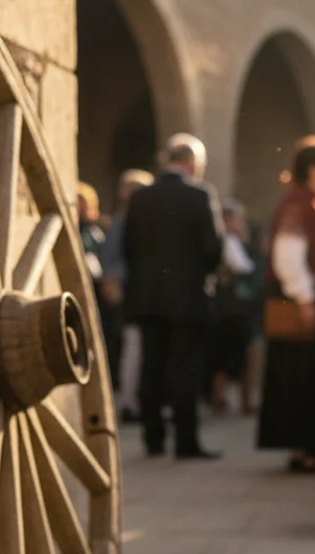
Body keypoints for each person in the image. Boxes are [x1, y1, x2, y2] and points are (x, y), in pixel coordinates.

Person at [123, 135, 224, 460]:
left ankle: (153, 438)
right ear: (192, 164)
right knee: (185, 370)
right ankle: (185, 441)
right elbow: (212, 249)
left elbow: (129, 247)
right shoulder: (199, 195)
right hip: (188, 299)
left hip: (148, 298)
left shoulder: (141, 198)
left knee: (151, 367)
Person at [257, 137, 315, 473]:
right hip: (306, 303)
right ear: (313, 169)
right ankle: (306, 449)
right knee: (305, 376)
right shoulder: (298, 204)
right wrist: (305, 298)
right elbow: (288, 255)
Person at [106, 169, 155, 424]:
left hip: (138, 291)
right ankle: (128, 401)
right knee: (132, 347)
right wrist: (114, 285)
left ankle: (135, 399)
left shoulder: (132, 222)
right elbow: (114, 260)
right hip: (131, 292)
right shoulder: (122, 224)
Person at [208, 199, 258, 414]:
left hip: (225, 304)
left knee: (224, 353)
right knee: (236, 353)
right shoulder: (229, 240)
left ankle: (220, 398)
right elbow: (243, 266)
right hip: (232, 305)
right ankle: (235, 400)